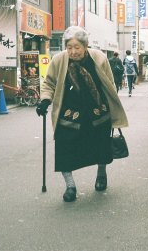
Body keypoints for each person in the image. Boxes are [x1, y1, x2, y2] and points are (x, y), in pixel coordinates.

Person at [35, 26, 128, 202]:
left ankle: (101, 174)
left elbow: (109, 83)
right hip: (69, 112)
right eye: (69, 47)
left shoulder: (98, 57)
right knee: (64, 148)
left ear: (85, 46)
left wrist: (111, 105)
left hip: (96, 111)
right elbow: (49, 83)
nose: (73, 51)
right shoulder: (59, 60)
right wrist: (45, 100)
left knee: (101, 146)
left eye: (77, 47)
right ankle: (70, 186)